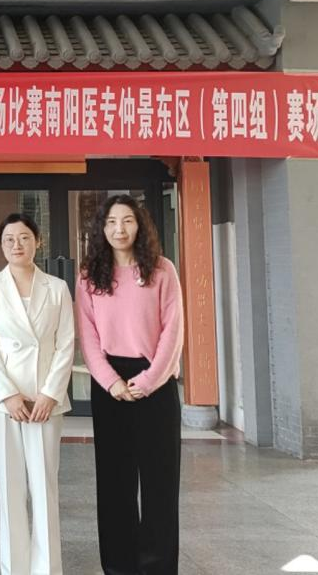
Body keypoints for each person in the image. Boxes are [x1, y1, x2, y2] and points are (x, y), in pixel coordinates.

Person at [75, 195, 184, 575]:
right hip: (110, 386)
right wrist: (111, 382)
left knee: (160, 483)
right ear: (101, 229)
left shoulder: (163, 269)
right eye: (111, 222)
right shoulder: (89, 274)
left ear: (140, 225)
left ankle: (157, 566)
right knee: (114, 483)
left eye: (127, 221)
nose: (119, 229)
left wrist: (149, 380)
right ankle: (119, 566)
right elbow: (87, 336)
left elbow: (173, 331)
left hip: (156, 381)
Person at [0, 213, 75, 575]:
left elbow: (66, 343)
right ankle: (13, 568)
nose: (17, 245)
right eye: (9, 239)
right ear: (1, 245)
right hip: (6, 401)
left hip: (45, 399)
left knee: (44, 487)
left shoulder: (57, 288)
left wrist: (50, 394)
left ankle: (47, 569)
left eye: (24, 238)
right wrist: (8, 395)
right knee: (11, 488)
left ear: (37, 242)